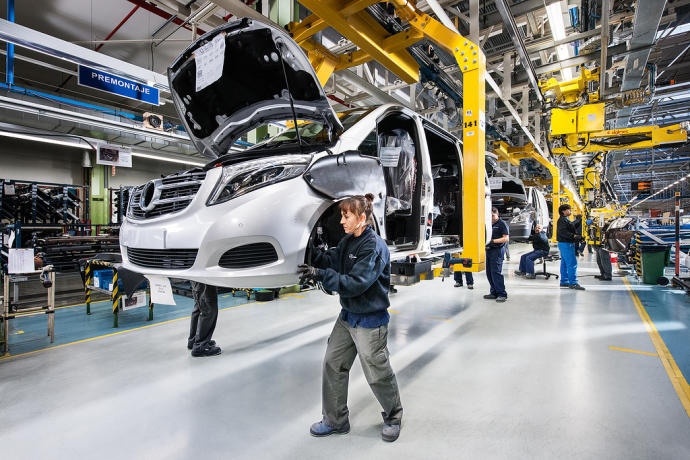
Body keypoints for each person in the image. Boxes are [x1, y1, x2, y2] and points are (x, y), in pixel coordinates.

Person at [298, 194, 403, 443]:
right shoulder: (347, 242)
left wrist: (319, 274)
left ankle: (394, 416)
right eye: (342, 216)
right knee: (333, 364)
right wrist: (308, 250)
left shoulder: (373, 246)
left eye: (347, 216)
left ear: (362, 218)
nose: (342, 221)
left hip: (370, 320)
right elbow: (332, 260)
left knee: (377, 373)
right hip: (348, 316)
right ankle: (335, 420)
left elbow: (356, 283)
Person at [188, 281, 221, 357]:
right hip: (205, 277)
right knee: (208, 307)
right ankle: (201, 346)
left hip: (196, 275)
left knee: (199, 306)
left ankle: (193, 341)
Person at [556, 205, 585, 290]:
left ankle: (564, 281)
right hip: (566, 244)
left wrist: (579, 221)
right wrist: (574, 236)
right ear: (563, 211)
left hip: (564, 244)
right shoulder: (562, 220)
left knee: (564, 263)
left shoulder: (565, 219)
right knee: (572, 263)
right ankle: (573, 283)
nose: (570, 211)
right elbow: (563, 232)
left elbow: (571, 226)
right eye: (569, 210)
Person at [484, 207, 509, 302]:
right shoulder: (488, 224)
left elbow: (506, 238)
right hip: (489, 250)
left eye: (493, 216)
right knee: (489, 273)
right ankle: (493, 292)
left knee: (496, 272)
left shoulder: (502, 224)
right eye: (489, 216)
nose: (491, 218)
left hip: (497, 250)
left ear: (497, 214)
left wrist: (493, 241)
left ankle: (502, 294)